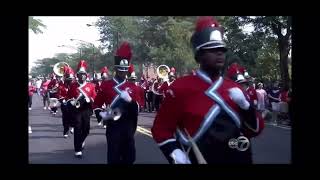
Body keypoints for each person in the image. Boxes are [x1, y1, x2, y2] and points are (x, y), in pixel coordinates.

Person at [151, 16, 263, 164]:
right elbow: (161, 129)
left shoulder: (235, 88)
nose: (219, 53)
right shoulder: (180, 88)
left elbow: (254, 131)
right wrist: (174, 151)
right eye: (213, 49)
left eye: (222, 49)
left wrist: (247, 107)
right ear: (199, 55)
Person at [93, 42, 141, 164]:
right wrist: (102, 115)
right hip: (113, 127)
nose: (123, 72)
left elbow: (138, 109)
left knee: (130, 158)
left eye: (125, 70)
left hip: (128, 126)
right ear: (115, 69)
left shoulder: (134, 87)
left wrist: (129, 101)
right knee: (113, 158)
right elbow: (97, 104)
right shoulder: (106, 85)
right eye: (120, 70)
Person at [67, 60, 96, 158]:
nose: (82, 76)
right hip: (76, 110)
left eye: (84, 74)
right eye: (80, 74)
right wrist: (71, 101)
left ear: (86, 76)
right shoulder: (73, 85)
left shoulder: (91, 86)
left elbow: (94, 97)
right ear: (77, 75)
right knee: (78, 128)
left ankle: (81, 140)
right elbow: (68, 97)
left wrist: (89, 99)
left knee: (86, 129)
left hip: (86, 109)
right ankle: (77, 150)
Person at [58, 66, 75, 138]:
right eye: (68, 79)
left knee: (75, 117)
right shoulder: (61, 86)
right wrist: (62, 99)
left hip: (73, 103)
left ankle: (74, 128)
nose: (70, 81)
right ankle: (66, 131)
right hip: (65, 104)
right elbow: (58, 94)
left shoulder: (74, 86)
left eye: (71, 80)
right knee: (65, 118)